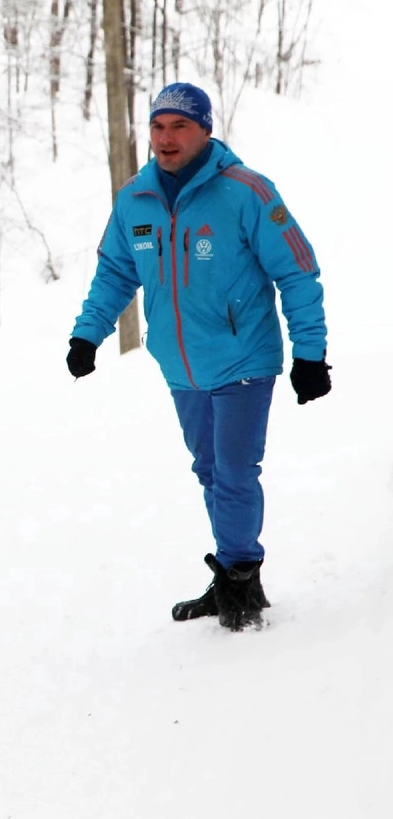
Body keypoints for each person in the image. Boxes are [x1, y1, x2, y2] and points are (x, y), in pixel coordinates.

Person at [66, 82, 330, 632]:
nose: (166, 138)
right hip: (181, 366)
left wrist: (310, 354)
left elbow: (297, 271)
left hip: (244, 361)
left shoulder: (246, 191)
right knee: (209, 470)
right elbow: (116, 272)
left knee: (234, 471)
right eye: (158, 127)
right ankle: (231, 570)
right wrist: (87, 335)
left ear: (205, 130)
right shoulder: (135, 199)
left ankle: (241, 578)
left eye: (179, 126)